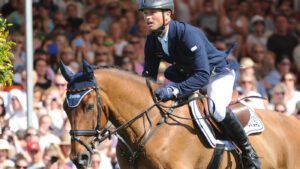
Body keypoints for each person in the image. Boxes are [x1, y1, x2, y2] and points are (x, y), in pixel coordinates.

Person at [139, 0, 260, 168]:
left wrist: (175, 89)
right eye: (145, 13)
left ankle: (249, 153)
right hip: (192, 74)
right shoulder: (152, 40)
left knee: (216, 109)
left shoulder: (187, 33)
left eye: (152, 12)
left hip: (216, 73)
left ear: (167, 15)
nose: (147, 17)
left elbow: (202, 75)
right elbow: (148, 77)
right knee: (169, 75)